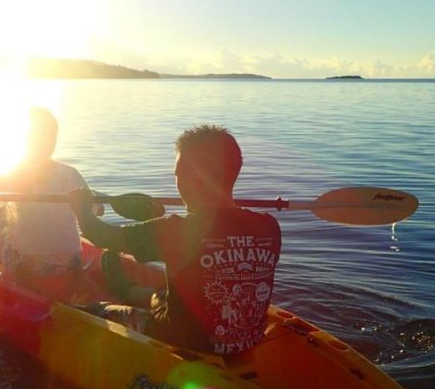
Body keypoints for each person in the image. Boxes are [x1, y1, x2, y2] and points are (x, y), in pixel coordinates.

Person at [68, 124, 281, 356]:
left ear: (191, 178)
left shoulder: (178, 230)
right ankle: (129, 290)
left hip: (184, 341)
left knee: (94, 310)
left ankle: (114, 300)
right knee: (162, 294)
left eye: (178, 174)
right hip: (245, 342)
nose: (177, 183)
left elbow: (101, 236)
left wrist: (81, 209)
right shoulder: (269, 227)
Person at [0, 106, 97, 300]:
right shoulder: (71, 174)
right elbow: (96, 211)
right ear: (52, 142)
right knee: (5, 212)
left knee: (0, 214)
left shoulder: (12, 175)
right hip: (72, 271)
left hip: (30, 275)